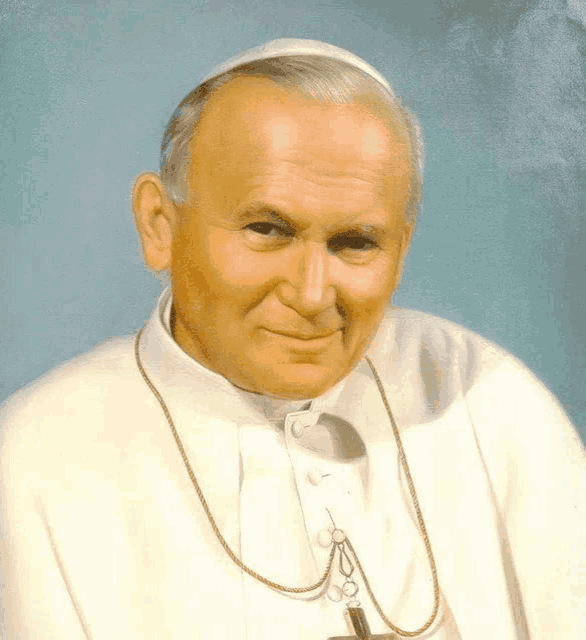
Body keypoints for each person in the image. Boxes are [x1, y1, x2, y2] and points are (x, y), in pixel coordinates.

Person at [1, 38, 584, 640]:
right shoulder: (33, 459)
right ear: (160, 227)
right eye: (267, 229)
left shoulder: (485, 398)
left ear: (401, 250)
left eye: (355, 242)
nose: (312, 295)